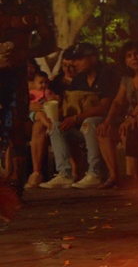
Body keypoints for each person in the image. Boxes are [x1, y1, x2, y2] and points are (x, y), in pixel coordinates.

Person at [0, 0, 57, 198]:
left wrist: (26, 54)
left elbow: (49, 43)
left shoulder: (33, 8)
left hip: (15, 76)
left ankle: (17, 186)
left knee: (18, 127)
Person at [39, 42, 119, 189]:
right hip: (81, 126)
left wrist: (76, 118)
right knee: (56, 127)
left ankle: (94, 173)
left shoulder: (106, 75)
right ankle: (64, 173)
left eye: (80, 59)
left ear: (93, 59)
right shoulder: (79, 79)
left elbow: (105, 106)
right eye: (75, 60)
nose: (75, 63)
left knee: (90, 122)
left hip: (105, 123)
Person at [95, 41, 138, 188]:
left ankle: (133, 177)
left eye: (137, 54)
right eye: (129, 56)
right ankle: (114, 176)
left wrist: (132, 117)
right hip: (130, 118)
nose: (134, 58)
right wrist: (107, 121)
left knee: (127, 129)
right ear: (125, 61)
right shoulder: (126, 79)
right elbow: (118, 101)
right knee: (103, 133)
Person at [24, 47, 77, 189]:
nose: (28, 68)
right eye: (25, 65)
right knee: (40, 121)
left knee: (42, 125)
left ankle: (38, 172)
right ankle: (35, 172)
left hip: (49, 118)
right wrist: (28, 107)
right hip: (25, 119)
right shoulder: (16, 85)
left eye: (30, 65)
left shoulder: (49, 84)